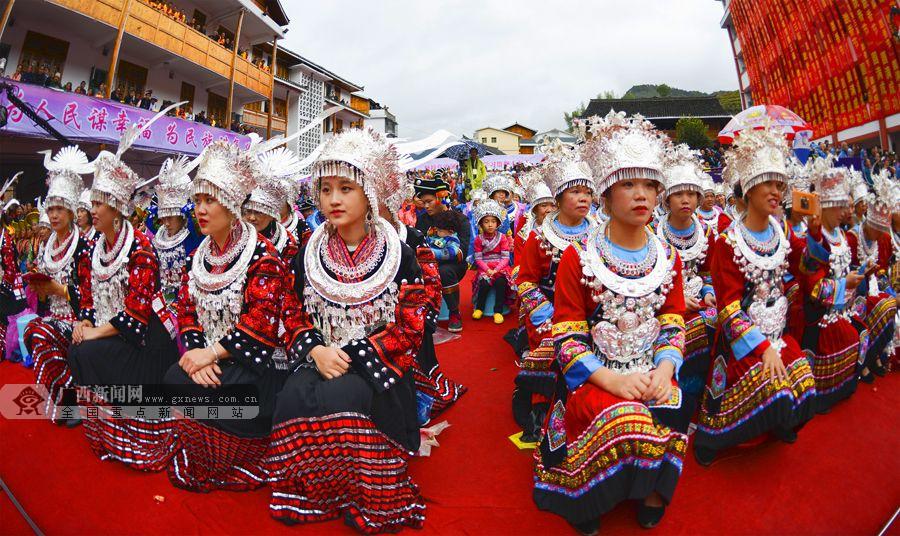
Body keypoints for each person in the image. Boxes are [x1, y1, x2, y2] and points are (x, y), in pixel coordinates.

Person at [263, 129, 427, 532]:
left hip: (379, 369)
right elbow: (290, 309)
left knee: (348, 393)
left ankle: (363, 486)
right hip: (321, 357)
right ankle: (319, 485)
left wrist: (356, 356)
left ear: (368, 192)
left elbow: (411, 328)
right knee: (292, 395)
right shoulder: (308, 251)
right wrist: (316, 350)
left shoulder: (401, 254)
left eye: (346, 188)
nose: (333, 199)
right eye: (325, 189)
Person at [534, 111, 690, 533]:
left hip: (650, 369)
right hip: (596, 377)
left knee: (673, 400)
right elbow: (566, 334)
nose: (641, 195)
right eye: (628, 184)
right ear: (605, 194)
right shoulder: (578, 256)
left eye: (649, 185)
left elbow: (674, 321)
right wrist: (610, 379)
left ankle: (651, 488)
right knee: (625, 416)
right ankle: (591, 494)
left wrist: (664, 368)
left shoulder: (668, 257)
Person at [162, 140, 289, 491]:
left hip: (253, 363)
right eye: (198, 200)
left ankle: (239, 445)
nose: (200, 210)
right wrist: (194, 352)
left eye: (210, 200)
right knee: (175, 377)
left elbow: (261, 324)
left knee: (184, 385)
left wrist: (211, 353)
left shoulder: (262, 255)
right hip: (211, 360)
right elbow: (186, 309)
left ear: (232, 204)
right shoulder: (199, 254)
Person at [693, 126, 817, 466]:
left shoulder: (783, 230)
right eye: (769, 183)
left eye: (781, 184)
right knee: (775, 389)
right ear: (748, 188)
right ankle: (717, 436)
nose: (777, 192)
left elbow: (804, 266)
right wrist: (762, 349)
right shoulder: (727, 243)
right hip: (742, 344)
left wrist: (813, 229)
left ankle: (779, 422)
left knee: (806, 386)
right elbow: (729, 310)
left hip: (779, 335)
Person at [514, 142, 598, 442]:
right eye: (576, 192)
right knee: (551, 352)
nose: (583, 199)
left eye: (587, 193)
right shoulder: (540, 237)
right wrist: (548, 316)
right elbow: (524, 281)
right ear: (559, 198)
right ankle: (539, 414)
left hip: (592, 311)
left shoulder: (601, 233)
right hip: (548, 311)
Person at [25, 147, 94, 423]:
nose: (53, 215)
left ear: (70, 210)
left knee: (40, 333)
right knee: (35, 331)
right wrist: (37, 284)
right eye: (50, 209)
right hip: (52, 316)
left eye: (59, 209)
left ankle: (70, 401)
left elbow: (92, 294)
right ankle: (64, 399)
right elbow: (44, 289)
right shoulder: (47, 244)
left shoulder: (84, 246)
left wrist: (59, 289)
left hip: (78, 319)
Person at [799, 156, 866, 413]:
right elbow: (813, 288)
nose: (845, 213)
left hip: (842, 307)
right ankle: (824, 395)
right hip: (820, 313)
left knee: (860, 331)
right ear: (825, 207)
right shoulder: (816, 240)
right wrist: (844, 283)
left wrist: (855, 278)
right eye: (839, 207)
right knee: (844, 337)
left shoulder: (841, 235)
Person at [654, 146, 718, 403]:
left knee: (717, 320)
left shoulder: (706, 232)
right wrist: (677, 297)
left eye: (692, 193)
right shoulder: (652, 233)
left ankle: (704, 395)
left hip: (699, 301)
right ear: (667, 199)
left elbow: (707, 273)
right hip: (664, 305)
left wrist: (709, 292)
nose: (686, 200)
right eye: (679, 193)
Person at [845, 169, 898, 383]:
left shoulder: (883, 240)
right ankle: (864, 360)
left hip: (875, 287)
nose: (878, 236)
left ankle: (876, 353)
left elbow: (883, 269)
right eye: (875, 230)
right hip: (855, 292)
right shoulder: (851, 237)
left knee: (889, 303)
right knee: (880, 305)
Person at [414, 176, 470, 332]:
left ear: (440, 197)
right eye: (423, 202)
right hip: (426, 263)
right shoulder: (422, 220)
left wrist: (433, 254)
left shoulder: (460, 219)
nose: (426, 206)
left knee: (444, 272)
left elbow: (462, 253)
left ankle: (454, 312)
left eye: (429, 201)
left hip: (453, 265)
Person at [149, 156, 202, 301]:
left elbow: (194, 216)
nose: (166, 223)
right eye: (163, 218)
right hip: (160, 301)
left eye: (170, 218)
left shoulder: (193, 235)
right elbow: (149, 216)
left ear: (182, 216)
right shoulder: (159, 234)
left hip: (187, 300)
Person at [242, 149, 299, 263]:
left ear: (271, 215)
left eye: (259, 212)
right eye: (247, 211)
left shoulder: (289, 243)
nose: (251, 218)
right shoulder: (233, 240)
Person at [471, 199, 511, 323]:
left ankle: (498, 311)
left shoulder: (503, 238)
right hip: (485, 267)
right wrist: (487, 270)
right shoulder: (478, 239)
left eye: (493, 221)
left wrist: (496, 270)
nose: (490, 225)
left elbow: (505, 258)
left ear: (498, 223)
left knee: (500, 283)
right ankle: (480, 308)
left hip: (500, 267)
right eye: (486, 221)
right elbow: (478, 258)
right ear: (481, 224)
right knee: (484, 283)